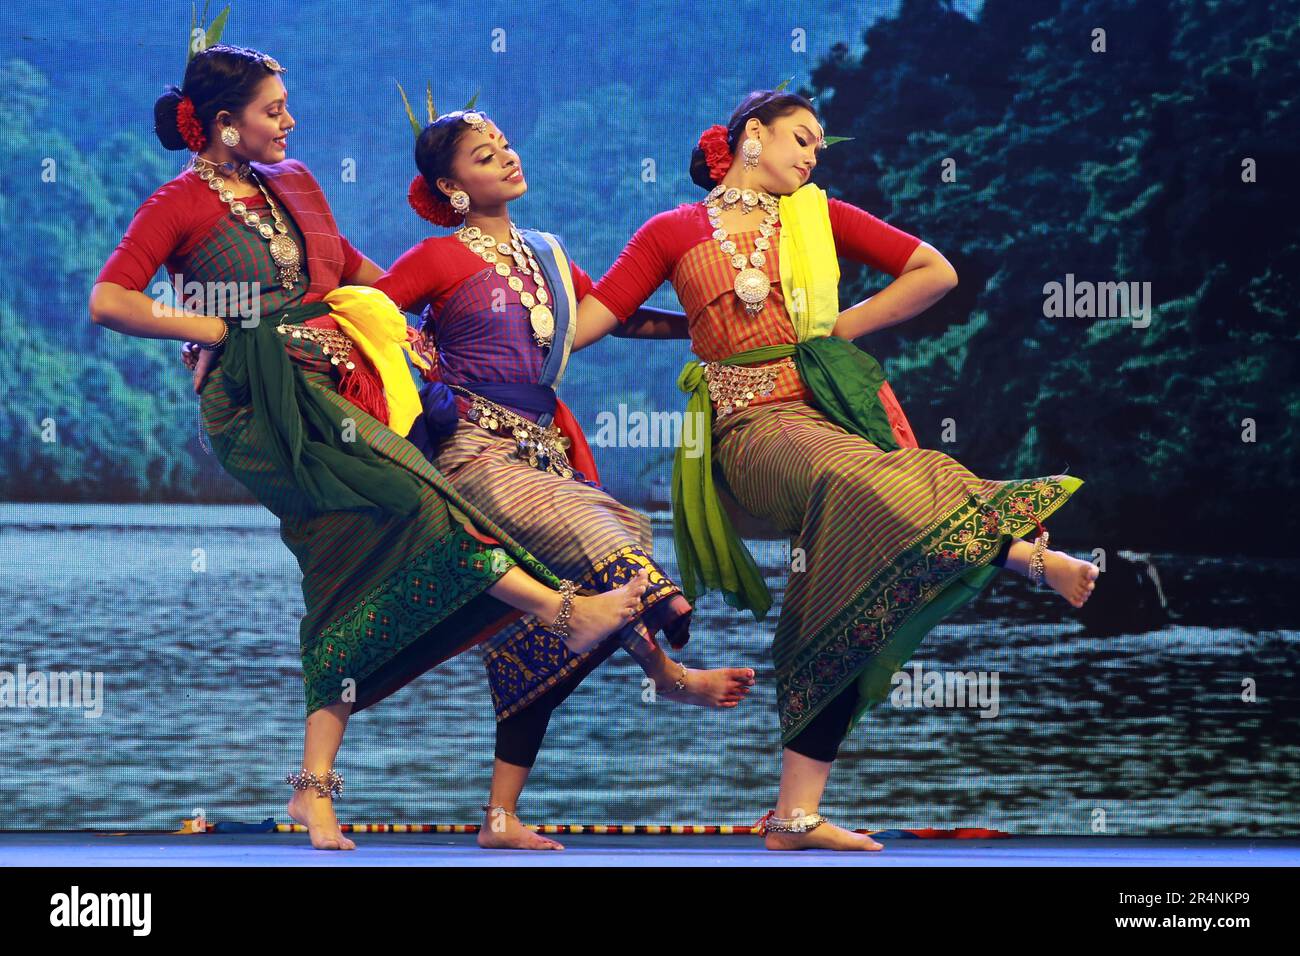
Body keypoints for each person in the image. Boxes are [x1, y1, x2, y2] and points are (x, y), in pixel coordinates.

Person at [87, 42, 648, 852]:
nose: (290, 121)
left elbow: (347, 267)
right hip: (257, 405)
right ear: (222, 126)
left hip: (342, 380)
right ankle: (564, 614)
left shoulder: (297, 181)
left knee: (348, 570)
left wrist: (420, 336)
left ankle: (314, 790)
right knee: (423, 502)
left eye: (287, 106)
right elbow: (111, 297)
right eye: (273, 111)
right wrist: (214, 328)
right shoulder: (176, 204)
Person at [575, 89, 1099, 850]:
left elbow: (934, 271)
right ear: (752, 136)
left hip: (832, 416)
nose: (812, 156)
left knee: (859, 568)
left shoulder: (818, 216)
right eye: (802, 139)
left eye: (819, 147)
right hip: (749, 432)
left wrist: (837, 330)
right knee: (861, 481)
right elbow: (594, 319)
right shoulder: (672, 231)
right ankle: (1023, 556)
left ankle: (795, 814)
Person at [374, 106, 755, 849]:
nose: (507, 159)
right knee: (604, 535)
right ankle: (669, 654)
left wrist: (703, 323)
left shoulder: (545, 252)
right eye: (486, 157)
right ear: (452, 187)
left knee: (545, 636)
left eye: (506, 145)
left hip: (544, 452)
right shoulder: (436, 259)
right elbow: (372, 324)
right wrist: (424, 379)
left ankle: (501, 819)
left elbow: (612, 315)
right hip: (475, 455)